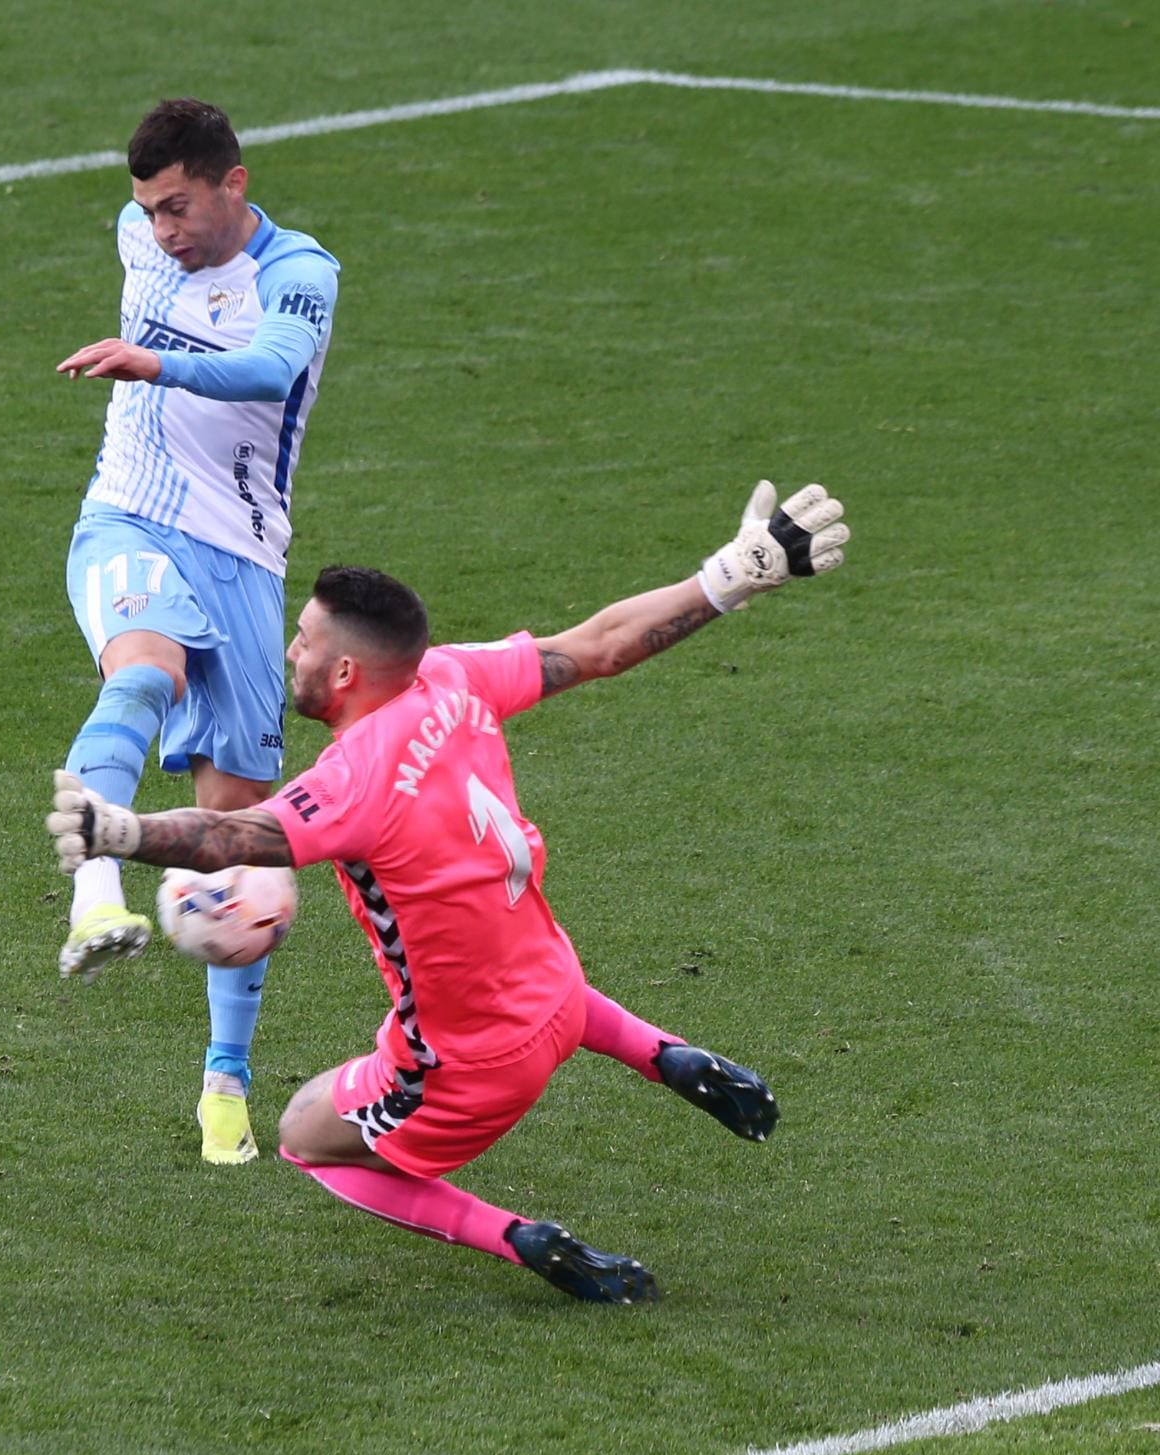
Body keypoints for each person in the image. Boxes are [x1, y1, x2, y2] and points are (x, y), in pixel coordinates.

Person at [48, 480, 849, 1301]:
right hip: (559, 993)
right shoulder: (454, 677)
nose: (291, 651)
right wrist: (730, 575)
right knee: (520, 958)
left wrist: (120, 832)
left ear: (346, 668)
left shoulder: (353, 779)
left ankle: (523, 1237)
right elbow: (602, 643)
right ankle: (668, 1054)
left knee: (304, 1131)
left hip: (471, 1067)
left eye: (304, 641)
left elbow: (234, 837)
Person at [54, 98, 341, 1165]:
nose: (164, 232)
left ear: (235, 182)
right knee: (140, 675)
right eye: (151, 212)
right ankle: (93, 898)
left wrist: (151, 361)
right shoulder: (139, 238)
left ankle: (224, 1082)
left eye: (180, 207)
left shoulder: (301, 271)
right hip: (128, 517)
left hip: (247, 564)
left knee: (239, 839)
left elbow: (270, 368)